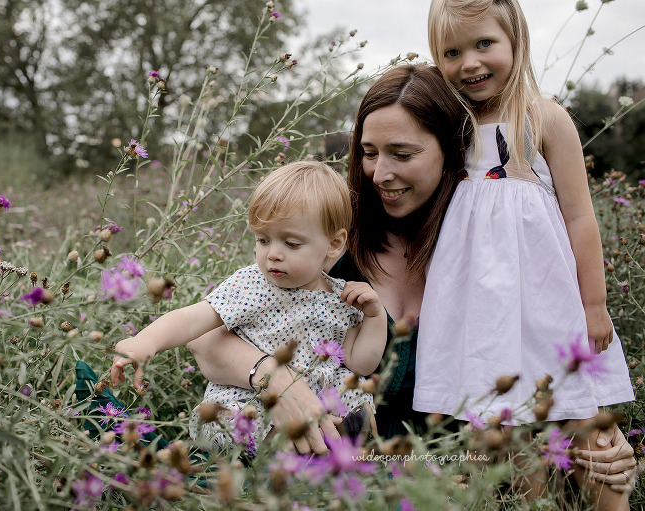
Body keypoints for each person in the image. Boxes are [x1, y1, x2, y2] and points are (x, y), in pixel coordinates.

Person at [188, 63, 637, 493]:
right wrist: (274, 379)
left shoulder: (490, 260)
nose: (380, 174)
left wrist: (598, 441)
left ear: (451, 151)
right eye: (368, 153)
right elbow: (205, 341)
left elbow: (546, 361)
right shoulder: (330, 242)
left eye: (403, 154)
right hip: (318, 475)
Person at [418, 0, 635, 507]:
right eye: (452, 51)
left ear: (515, 40)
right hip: (481, 317)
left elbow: (581, 218)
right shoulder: (448, 126)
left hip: (549, 308)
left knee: (583, 418)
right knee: (506, 434)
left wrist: (594, 305)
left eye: (484, 44)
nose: (469, 62)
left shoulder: (544, 119)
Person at [110, 160, 387, 450]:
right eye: (263, 240)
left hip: (316, 401)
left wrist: (374, 316)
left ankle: (331, 447)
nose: (273, 254)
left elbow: (360, 363)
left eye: (291, 243)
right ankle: (268, 455)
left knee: (355, 395)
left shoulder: (342, 297)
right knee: (236, 423)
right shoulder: (253, 285)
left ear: (334, 244)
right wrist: (145, 342)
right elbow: (193, 320)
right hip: (249, 398)